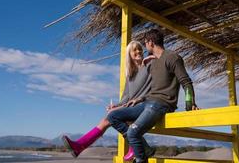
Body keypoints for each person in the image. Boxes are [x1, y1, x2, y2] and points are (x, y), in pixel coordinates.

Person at [107, 28, 199, 163]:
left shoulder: (173, 57)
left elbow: (186, 82)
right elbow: (153, 89)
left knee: (133, 132)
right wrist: (140, 99)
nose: (144, 47)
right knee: (112, 116)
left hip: (162, 104)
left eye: (145, 43)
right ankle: (146, 149)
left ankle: (141, 159)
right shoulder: (154, 62)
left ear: (150, 42)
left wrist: (190, 104)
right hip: (147, 102)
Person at [62, 41, 155, 160]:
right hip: (131, 106)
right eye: (134, 50)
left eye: (140, 49)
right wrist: (116, 106)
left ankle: (80, 146)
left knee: (110, 117)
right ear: (129, 55)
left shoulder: (149, 64)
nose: (138, 52)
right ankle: (80, 146)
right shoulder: (130, 74)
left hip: (144, 105)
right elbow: (126, 97)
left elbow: (157, 84)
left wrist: (155, 58)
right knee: (108, 116)